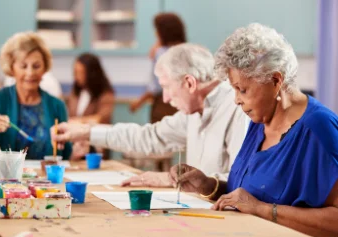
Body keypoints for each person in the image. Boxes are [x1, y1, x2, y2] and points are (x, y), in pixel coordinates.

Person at [169, 23, 338, 237]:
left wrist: (263, 210)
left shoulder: (319, 128)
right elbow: (248, 194)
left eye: (243, 89)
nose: (236, 100)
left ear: (276, 81)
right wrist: (208, 186)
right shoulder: (260, 120)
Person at [51, 43, 247, 186]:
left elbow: (241, 181)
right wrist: (86, 132)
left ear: (189, 83)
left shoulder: (238, 110)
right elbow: (149, 137)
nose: (165, 98)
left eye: (166, 87)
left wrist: (172, 179)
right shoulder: (194, 112)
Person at [0, 32, 72, 160]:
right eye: (23, 66)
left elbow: (66, 154)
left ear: (45, 68)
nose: (30, 72)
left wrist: (75, 146)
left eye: (36, 66)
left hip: (46, 179)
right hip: (7, 178)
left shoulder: (57, 105)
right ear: (12, 68)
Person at [130, 13, 186, 123]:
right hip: (182, 105)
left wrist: (140, 101)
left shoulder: (161, 53)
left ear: (163, 31)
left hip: (163, 105)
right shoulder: (186, 50)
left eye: (157, 30)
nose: (155, 33)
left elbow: (157, 86)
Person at [67, 53, 114, 160]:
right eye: (75, 72)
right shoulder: (76, 93)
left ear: (91, 73)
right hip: (76, 146)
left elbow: (100, 118)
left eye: (81, 72)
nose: (76, 76)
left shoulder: (105, 94)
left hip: (96, 147)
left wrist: (75, 121)